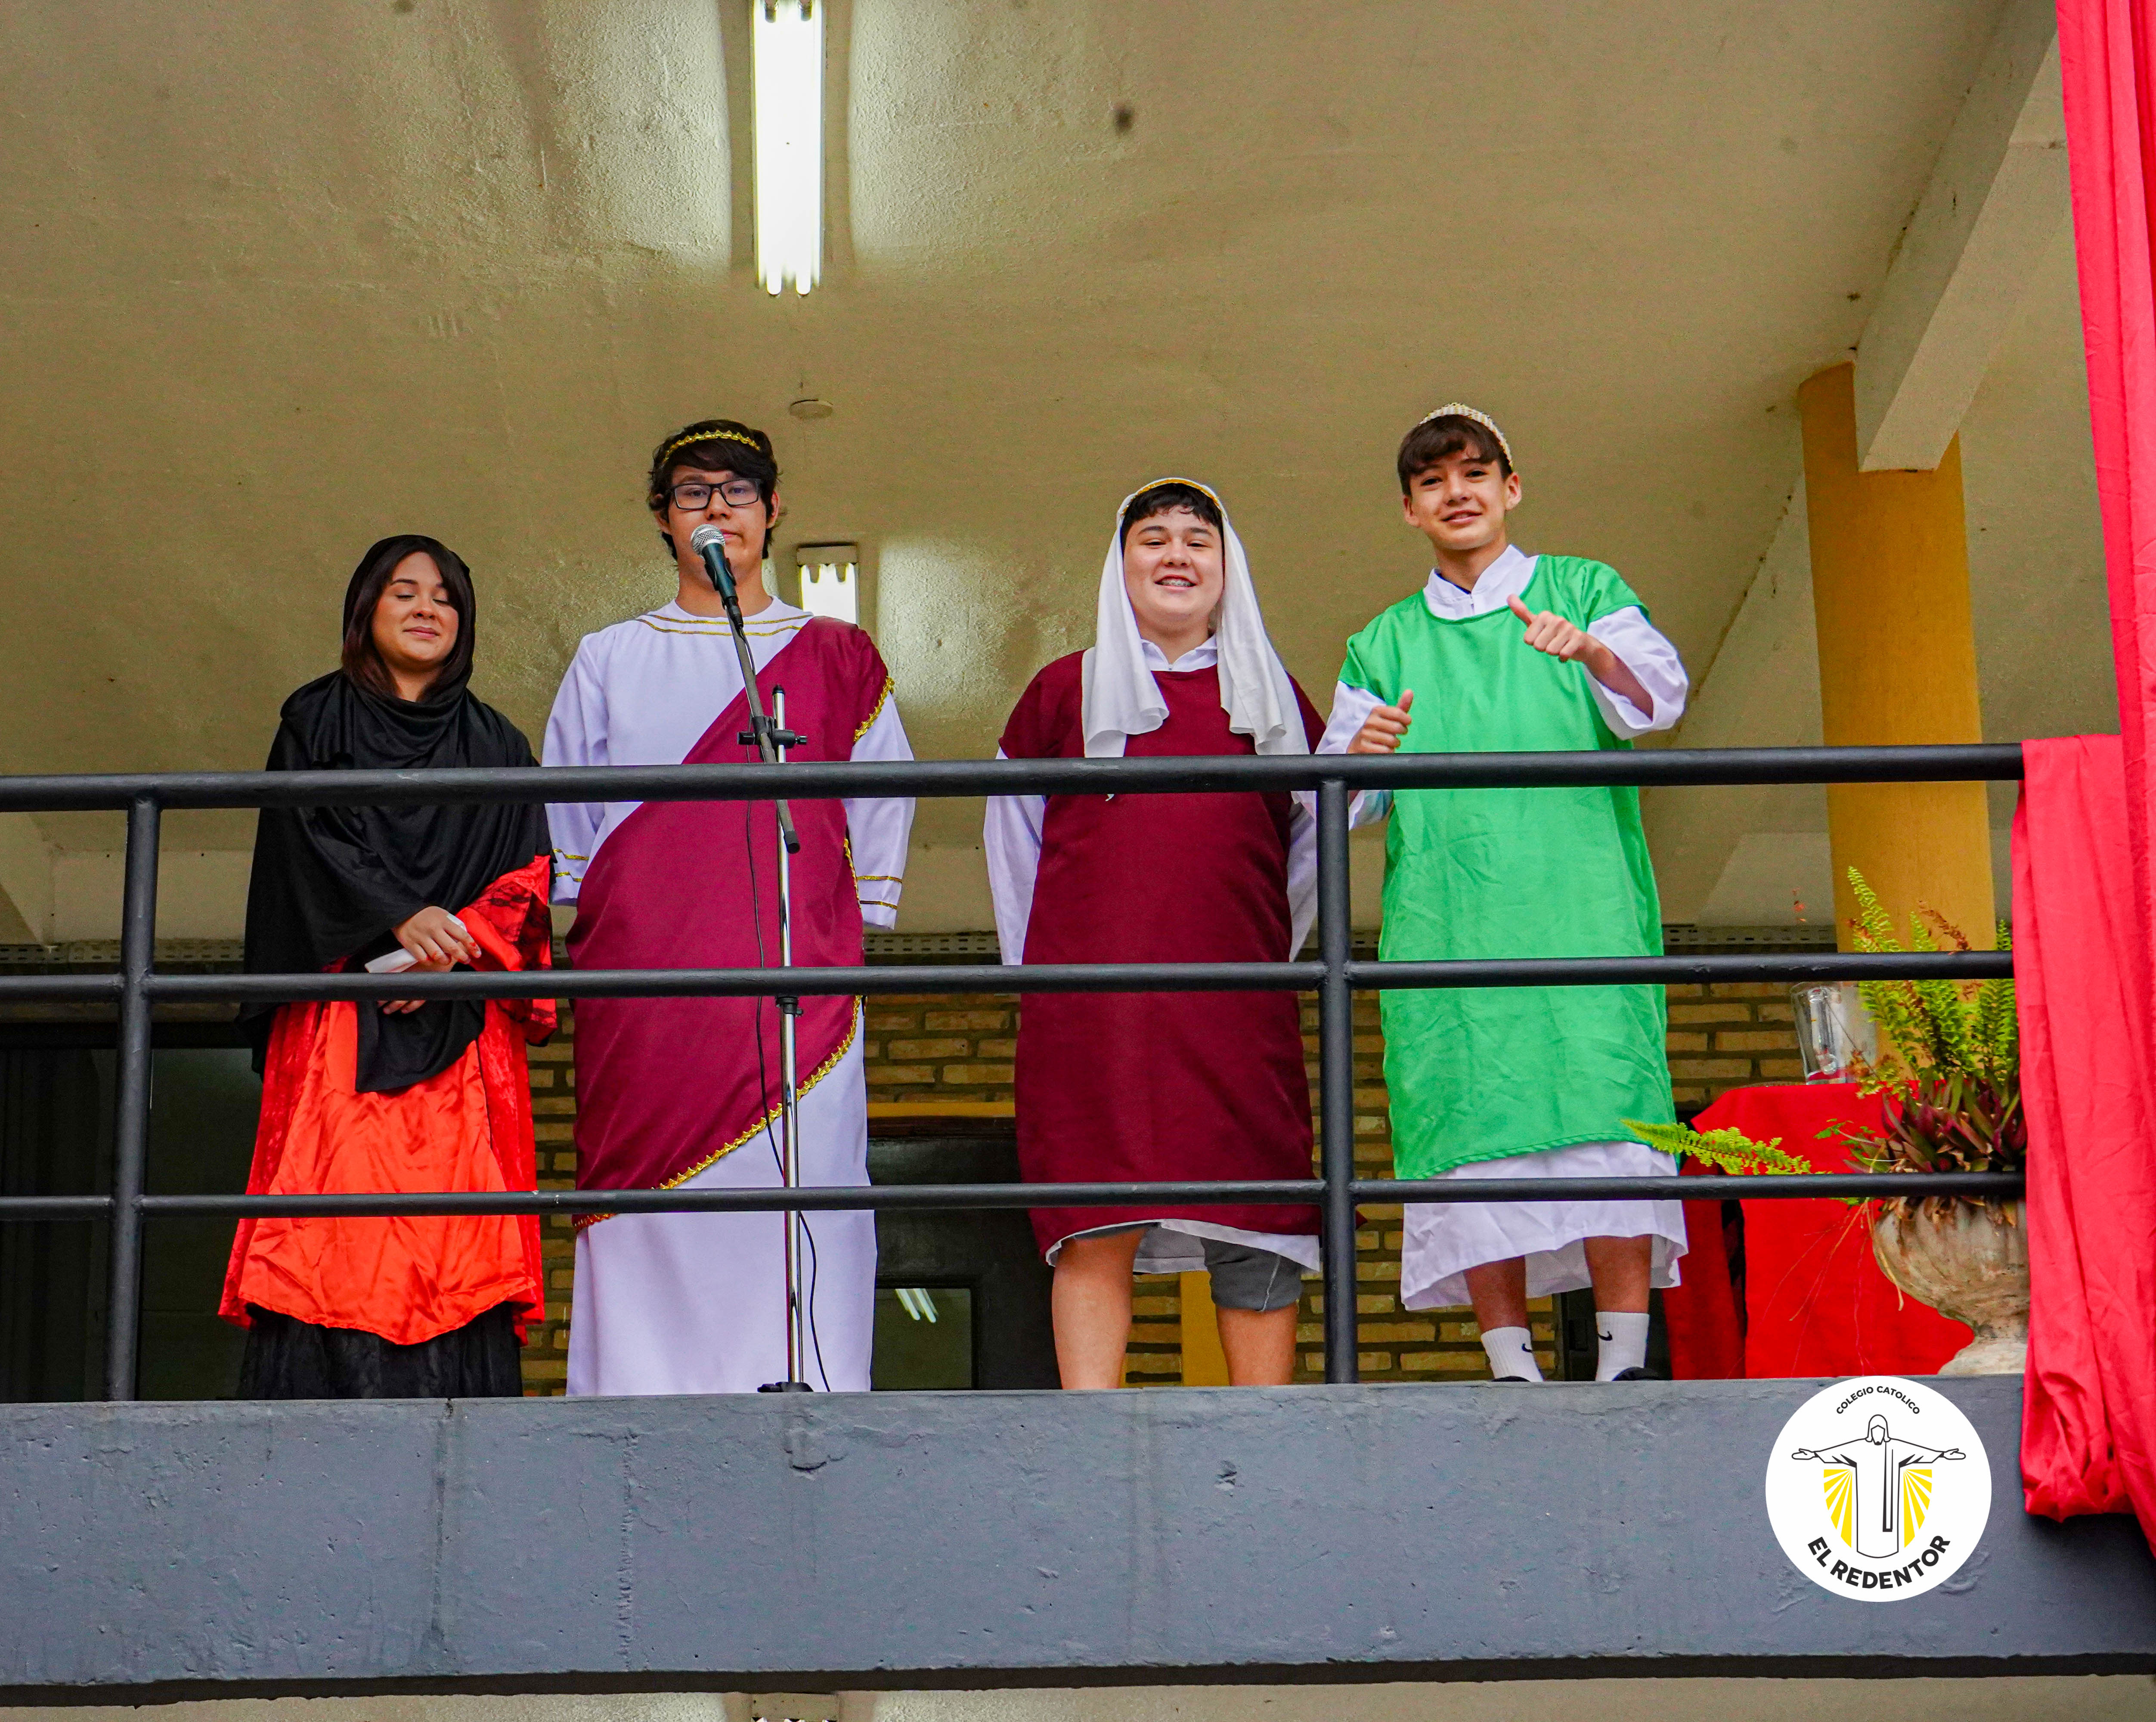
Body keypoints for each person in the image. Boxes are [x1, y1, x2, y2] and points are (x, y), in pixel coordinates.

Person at [544, 420, 914, 1395]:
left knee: (799, 1195)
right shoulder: (607, 657)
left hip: (799, 996)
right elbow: (570, 826)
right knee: (649, 1208)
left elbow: (882, 793)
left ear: (775, 510)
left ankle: (806, 1391)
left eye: (739, 489)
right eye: (693, 491)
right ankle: (636, 1399)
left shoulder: (836, 653)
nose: (718, 507)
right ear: (663, 520)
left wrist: (856, 909)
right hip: (648, 997)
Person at [1323, 405, 1690, 1384]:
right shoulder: (1384, 640)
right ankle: (1510, 1368)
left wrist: (1593, 653)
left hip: (1583, 912)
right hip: (1453, 926)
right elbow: (1338, 799)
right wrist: (1358, 756)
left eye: (1476, 473)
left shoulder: (1583, 588)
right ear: (1410, 509)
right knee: (1473, 1134)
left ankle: (1622, 1362)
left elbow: (1661, 699)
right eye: (1435, 482)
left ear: (1512, 488)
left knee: (1606, 1117)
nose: (1459, 493)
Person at [985, 478, 1326, 1388]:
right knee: (1095, 1214)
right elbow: (1014, 849)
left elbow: (1306, 853)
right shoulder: (1063, 691)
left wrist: (1260, 957)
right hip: (1094, 1011)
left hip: (1236, 1007)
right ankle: (1092, 1433)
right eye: (1153, 538)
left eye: (1197, 540)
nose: (1176, 555)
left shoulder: (1275, 697)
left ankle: (1266, 1441)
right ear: (1120, 562)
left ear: (1227, 565)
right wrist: (1045, 985)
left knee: (1258, 1215)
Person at [222, 534, 554, 1399]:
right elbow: (302, 848)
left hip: (460, 1025)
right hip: (342, 1009)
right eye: (402, 591)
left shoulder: (499, 743)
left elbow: (527, 878)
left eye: (445, 596)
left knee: (454, 1233)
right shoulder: (315, 720)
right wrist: (397, 923)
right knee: (334, 1224)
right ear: (365, 609)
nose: (425, 608)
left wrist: (457, 948)